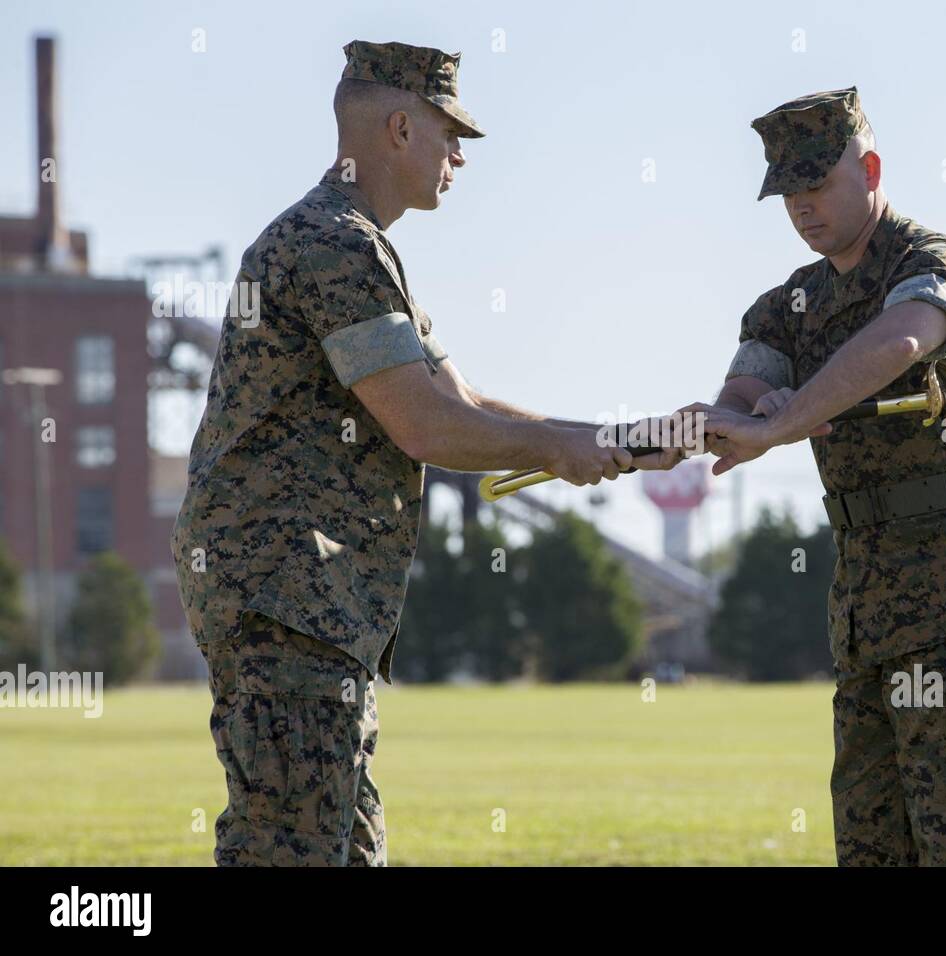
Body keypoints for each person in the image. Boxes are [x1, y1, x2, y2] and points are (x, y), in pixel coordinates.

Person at [171, 39, 679, 866]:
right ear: (400, 128)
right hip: (287, 592)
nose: (459, 159)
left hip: (312, 600)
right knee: (290, 847)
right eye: (452, 136)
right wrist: (555, 448)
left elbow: (461, 403)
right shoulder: (331, 243)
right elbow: (426, 427)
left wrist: (620, 441)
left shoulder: (356, 244)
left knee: (341, 841)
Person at [681, 87, 946, 865]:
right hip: (868, 606)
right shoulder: (788, 304)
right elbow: (747, 387)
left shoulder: (933, 262)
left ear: (871, 168)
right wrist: (729, 418)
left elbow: (901, 340)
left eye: (817, 185)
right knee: (871, 848)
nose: (802, 207)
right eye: (787, 192)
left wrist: (783, 422)